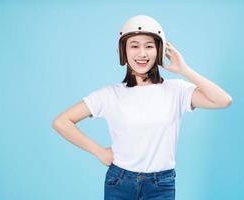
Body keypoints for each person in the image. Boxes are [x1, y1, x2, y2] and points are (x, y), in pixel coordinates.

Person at [52, 15, 232, 200]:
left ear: (159, 51)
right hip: (120, 181)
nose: (142, 53)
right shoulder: (110, 94)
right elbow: (62, 122)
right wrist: (99, 151)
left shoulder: (177, 90)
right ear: (124, 51)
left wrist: (184, 70)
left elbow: (223, 100)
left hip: (161, 184)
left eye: (149, 46)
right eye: (134, 46)